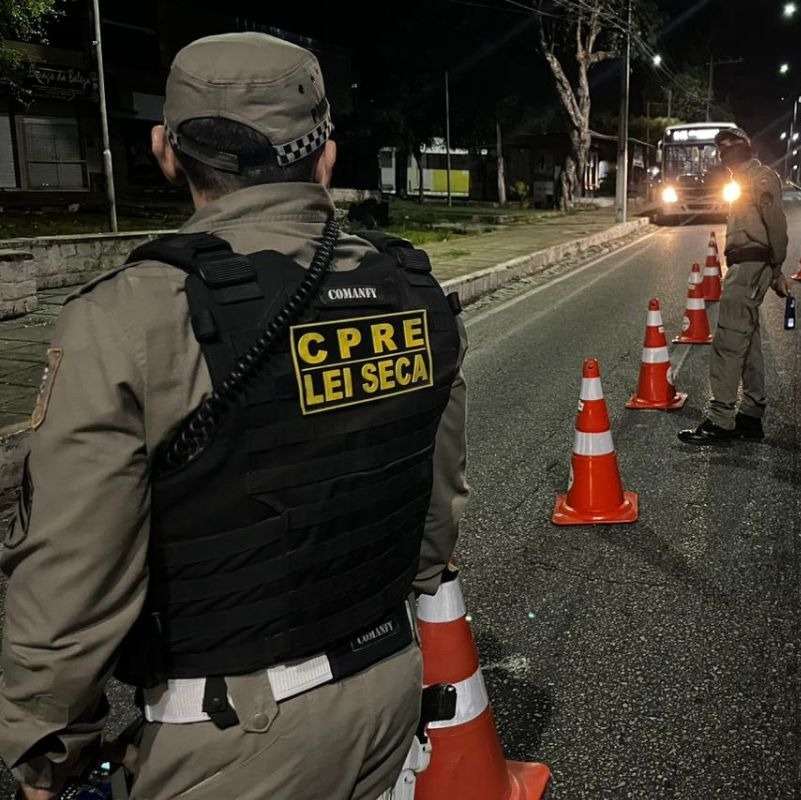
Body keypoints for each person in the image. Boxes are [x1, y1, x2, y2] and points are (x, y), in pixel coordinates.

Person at [0, 32, 468, 799]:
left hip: (227, 739)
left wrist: (50, 757)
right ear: (325, 156)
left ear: (165, 152)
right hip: (387, 695)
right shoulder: (412, 289)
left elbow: (70, 578)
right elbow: (434, 524)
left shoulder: (132, 318)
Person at [679, 128, 790, 446]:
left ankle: (721, 420)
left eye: (732, 145)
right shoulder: (740, 182)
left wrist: (777, 268)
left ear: (747, 147)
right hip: (745, 266)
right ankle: (750, 417)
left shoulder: (761, 178)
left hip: (750, 268)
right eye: (721, 147)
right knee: (748, 343)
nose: (725, 151)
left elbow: (776, 226)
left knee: (728, 342)